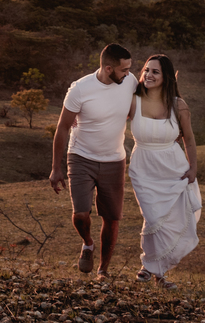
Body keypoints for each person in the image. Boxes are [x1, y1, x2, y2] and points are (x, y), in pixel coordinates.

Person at [49, 43, 137, 279]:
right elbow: (62, 127)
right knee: (80, 214)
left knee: (112, 218)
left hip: (114, 161)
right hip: (81, 158)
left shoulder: (130, 82)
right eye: (124, 70)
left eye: (129, 69)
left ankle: (103, 270)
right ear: (108, 68)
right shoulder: (80, 89)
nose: (128, 74)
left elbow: (133, 111)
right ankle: (88, 243)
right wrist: (56, 168)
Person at [127, 54, 201, 290]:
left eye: (155, 72)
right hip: (143, 166)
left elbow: (188, 139)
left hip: (173, 167)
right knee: (153, 217)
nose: (148, 74)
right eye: (147, 70)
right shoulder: (133, 100)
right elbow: (108, 115)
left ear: (166, 77)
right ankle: (149, 267)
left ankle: (154, 272)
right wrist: (79, 119)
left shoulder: (178, 105)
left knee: (170, 220)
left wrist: (193, 168)